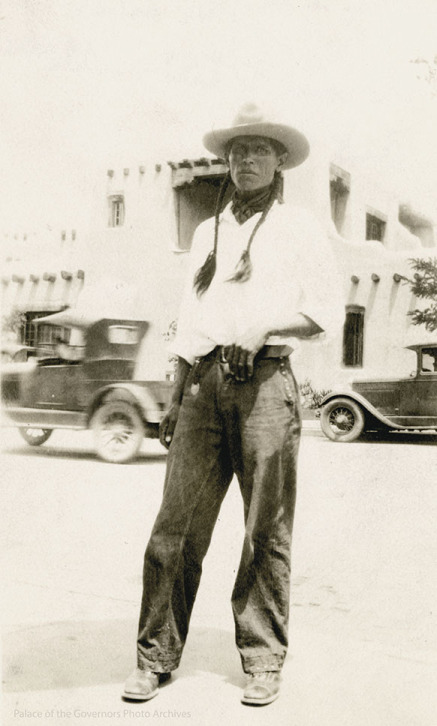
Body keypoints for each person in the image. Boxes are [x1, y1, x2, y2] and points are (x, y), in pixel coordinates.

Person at [123, 103, 344, 706]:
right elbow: (192, 321)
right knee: (175, 529)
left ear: (279, 163)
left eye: (258, 151)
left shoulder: (298, 227)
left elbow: (324, 310)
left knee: (264, 529)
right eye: (236, 151)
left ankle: (263, 659)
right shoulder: (207, 230)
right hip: (200, 386)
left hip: (267, 382)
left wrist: (263, 328)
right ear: (226, 161)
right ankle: (154, 657)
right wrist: (175, 394)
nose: (245, 160)